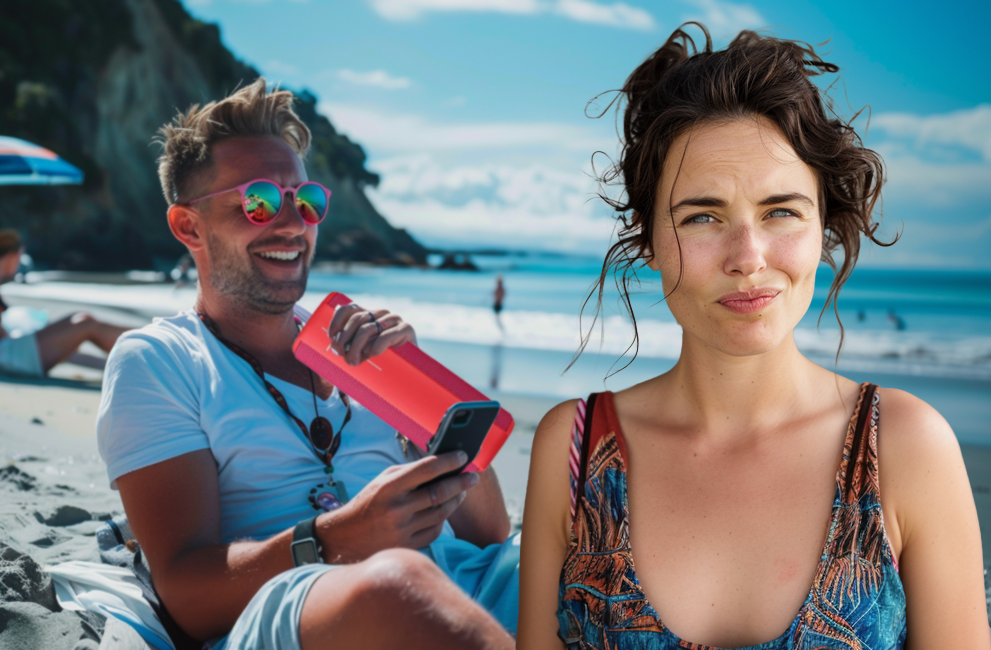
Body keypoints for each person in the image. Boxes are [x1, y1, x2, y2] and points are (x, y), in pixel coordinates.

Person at [518, 25, 988, 650]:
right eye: (703, 216)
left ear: (823, 227)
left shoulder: (906, 446)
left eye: (781, 211)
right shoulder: (574, 453)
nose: (748, 257)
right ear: (650, 239)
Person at [96, 79, 518, 650]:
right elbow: (186, 595)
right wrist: (341, 537)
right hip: (303, 608)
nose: (293, 224)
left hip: (459, 584)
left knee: (595, 561)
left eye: (307, 201)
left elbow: (491, 536)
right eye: (259, 202)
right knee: (396, 583)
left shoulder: (363, 347)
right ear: (188, 227)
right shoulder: (161, 362)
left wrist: (423, 405)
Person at [0, 229, 129, 377]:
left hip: (4, 351)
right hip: (3, 355)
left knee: (82, 323)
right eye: (19, 257)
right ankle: (141, 345)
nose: (18, 265)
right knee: (85, 324)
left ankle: (135, 352)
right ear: (12, 255)